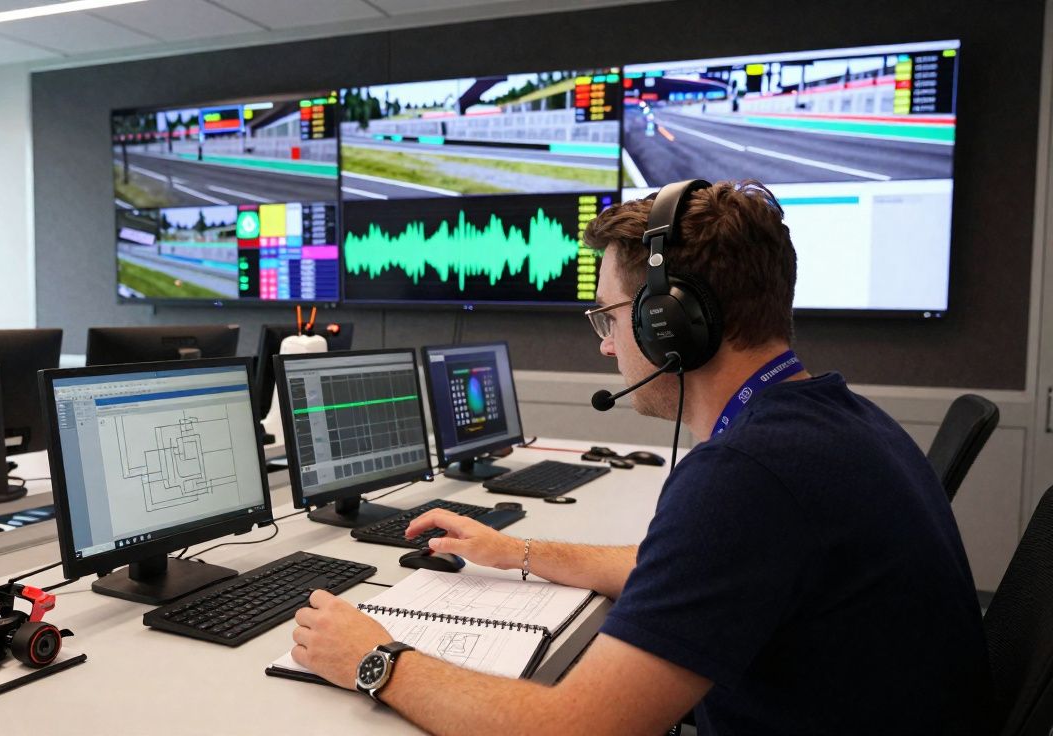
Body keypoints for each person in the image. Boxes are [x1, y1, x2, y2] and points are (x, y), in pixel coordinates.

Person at [289, 180, 992, 735]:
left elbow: (574, 729)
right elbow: (683, 570)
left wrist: (374, 660)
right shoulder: (835, 420)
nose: (603, 344)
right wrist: (518, 551)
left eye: (610, 316)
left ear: (672, 321)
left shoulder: (750, 476)